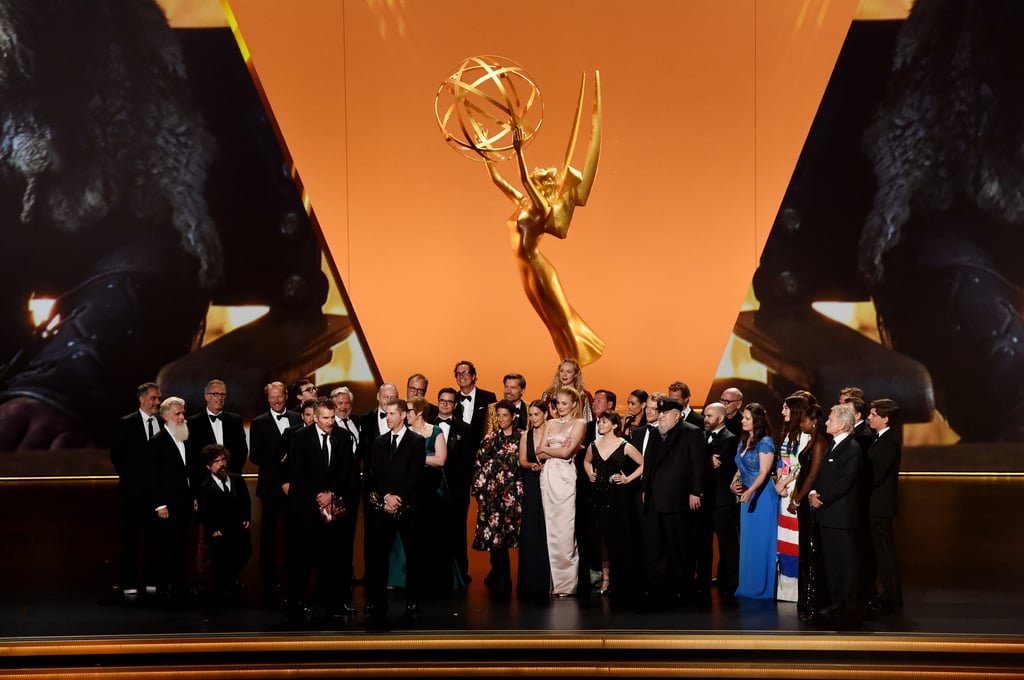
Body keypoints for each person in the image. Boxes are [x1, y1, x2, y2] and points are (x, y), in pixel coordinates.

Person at [484, 77, 604, 366]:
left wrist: (519, 150)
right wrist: (484, 149)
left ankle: (573, 367)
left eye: (541, 174)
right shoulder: (524, 203)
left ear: (545, 185)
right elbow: (498, 180)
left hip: (538, 269)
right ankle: (566, 366)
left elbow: (524, 178)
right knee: (549, 322)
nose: (536, 173)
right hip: (524, 270)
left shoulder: (541, 208)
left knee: (560, 318)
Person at [283, 397, 357, 623]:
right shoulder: (299, 438)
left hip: (334, 507)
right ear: (314, 417)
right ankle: (297, 602)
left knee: (335, 556)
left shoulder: (344, 437)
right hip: (307, 508)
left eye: (332, 417)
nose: (330, 422)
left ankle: (335, 603)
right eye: (325, 418)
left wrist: (332, 495)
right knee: (303, 557)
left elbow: (349, 473)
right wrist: (319, 496)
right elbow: (297, 473)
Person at [641, 398, 706, 606]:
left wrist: (696, 491)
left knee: (679, 546)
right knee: (657, 547)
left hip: (678, 500)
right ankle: (661, 588)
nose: (660, 416)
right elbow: (648, 464)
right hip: (655, 499)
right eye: (659, 412)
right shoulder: (654, 434)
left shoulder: (692, 432)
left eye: (664, 413)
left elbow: (698, 464)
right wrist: (645, 489)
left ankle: (684, 588)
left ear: (676, 415)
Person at [364, 398, 426, 616]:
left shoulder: (417, 441)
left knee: (413, 555)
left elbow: (416, 474)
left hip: (408, 507)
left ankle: (412, 600)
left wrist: (399, 498)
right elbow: (376, 473)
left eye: (392, 413)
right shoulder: (379, 442)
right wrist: (387, 496)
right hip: (384, 506)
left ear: (403, 415)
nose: (388, 417)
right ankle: (376, 599)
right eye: (386, 414)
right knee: (378, 555)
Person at [809, 404, 864, 623]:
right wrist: (813, 492)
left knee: (845, 562)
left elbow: (845, 482)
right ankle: (836, 601)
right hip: (828, 514)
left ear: (841, 424)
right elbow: (822, 476)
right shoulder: (833, 445)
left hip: (841, 516)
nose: (826, 422)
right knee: (831, 561)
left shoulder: (851, 448)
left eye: (830, 419)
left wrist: (821, 498)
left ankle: (849, 604)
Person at [248, 381, 301, 602]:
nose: (277, 400)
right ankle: (268, 577)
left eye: (280, 396)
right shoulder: (259, 422)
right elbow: (254, 456)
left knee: (294, 533)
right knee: (268, 534)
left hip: (294, 486)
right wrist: (279, 462)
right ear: (268, 399)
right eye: (273, 397)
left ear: (286, 396)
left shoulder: (297, 418)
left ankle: (294, 575)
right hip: (270, 486)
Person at [110, 382, 163, 601]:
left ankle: (153, 582)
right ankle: (129, 583)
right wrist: (134, 480)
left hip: (158, 496)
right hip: (133, 495)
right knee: (131, 541)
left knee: (155, 541)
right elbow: (117, 456)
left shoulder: (163, 423)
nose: (157, 402)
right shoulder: (126, 424)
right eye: (153, 398)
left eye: (159, 398)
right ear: (141, 399)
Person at [583, 411, 644, 598]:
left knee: (618, 535)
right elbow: (586, 461)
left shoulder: (624, 445)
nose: (600, 424)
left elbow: (643, 463)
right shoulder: (594, 445)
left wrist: (628, 479)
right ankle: (606, 577)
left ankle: (621, 578)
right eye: (600, 421)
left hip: (617, 497)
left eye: (604, 421)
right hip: (598, 496)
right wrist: (589, 472)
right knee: (601, 538)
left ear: (614, 425)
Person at [536, 386, 586, 596]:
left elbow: (566, 453)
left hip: (565, 477)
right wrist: (551, 450)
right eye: (558, 404)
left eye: (565, 404)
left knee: (565, 528)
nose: (561, 408)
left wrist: (551, 449)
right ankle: (552, 582)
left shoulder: (580, 423)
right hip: (548, 476)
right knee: (549, 527)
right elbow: (539, 452)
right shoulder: (550, 423)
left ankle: (567, 584)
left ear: (574, 404)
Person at [407, 397, 459, 593]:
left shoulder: (435, 431)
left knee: (435, 537)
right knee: (415, 538)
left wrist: (417, 458)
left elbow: (441, 459)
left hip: (433, 491)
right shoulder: (405, 433)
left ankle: (437, 580)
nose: (407, 414)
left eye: (410, 410)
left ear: (420, 411)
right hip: (412, 491)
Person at [471, 400, 524, 594]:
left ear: (513, 417)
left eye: (505, 415)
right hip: (492, 496)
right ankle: (502, 575)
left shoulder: (522, 438)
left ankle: (523, 577)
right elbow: (478, 465)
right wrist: (479, 491)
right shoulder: (490, 438)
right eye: (499, 415)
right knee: (495, 538)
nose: (501, 419)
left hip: (515, 496)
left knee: (517, 536)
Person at [147, 396, 193, 606]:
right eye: (178, 413)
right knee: (166, 547)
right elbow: (152, 476)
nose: (182, 417)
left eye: (183, 413)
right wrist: (160, 504)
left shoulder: (186, 438)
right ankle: (165, 587)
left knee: (182, 545)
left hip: (185, 503)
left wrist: (194, 498)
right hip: (167, 506)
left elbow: (191, 472)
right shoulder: (157, 443)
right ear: (166, 417)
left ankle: (180, 585)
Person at [787, 404, 829, 622]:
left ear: (814, 421)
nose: (800, 424)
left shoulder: (820, 443)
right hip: (802, 500)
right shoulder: (811, 441)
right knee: (805, 549)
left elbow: (812, 476)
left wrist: (796, 499)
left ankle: (813, 599)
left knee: (812, 551)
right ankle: (805, 598)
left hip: (810, 505)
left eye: (803, 421)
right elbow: (802, 471)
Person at [731, 403, 778, 600]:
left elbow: (764, 471)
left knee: (761, 541)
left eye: (747, 418)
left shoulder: (765, 442)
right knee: (748, 543)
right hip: (746, 496)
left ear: (757, 421)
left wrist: (750, 490)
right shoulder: (744, 440)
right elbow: (740, 467)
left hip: (761, 496)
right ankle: (748, 585)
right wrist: (734, 482)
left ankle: (761, 586)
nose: (742, 420)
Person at [194, 444, 251, 602]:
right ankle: (223, 587)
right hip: (219, 529)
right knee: (220, 558)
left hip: (238, 526)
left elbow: (245, 500)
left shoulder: (237, 479)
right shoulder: (205, 487)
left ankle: (231, 577)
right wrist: (213, 529)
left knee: (245, 550)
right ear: (208, 465)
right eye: (217, 461)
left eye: (223, 460)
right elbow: (204, 511)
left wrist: (247, 517)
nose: (222, 464)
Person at [864, 398, 903, 614]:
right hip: (877, 504)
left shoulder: (888, 442)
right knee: (882, 551)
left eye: (873, 414)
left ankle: (891, 596)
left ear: (885, 418)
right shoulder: (880, 439)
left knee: (885, 552)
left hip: (880, 505)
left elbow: (877, 476)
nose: (869, 417)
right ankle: (888, 594)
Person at [434, 386, 475, 586]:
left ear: (455, 405)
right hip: (432, 491)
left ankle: (460, 575)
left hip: (457, 492)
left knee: (458, 534)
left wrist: (462, 489)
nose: (445, 404)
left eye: (449, 401)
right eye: (442, 400)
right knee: (434, 533)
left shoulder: (465, 429)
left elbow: (468, 463)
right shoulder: (426, 425)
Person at [774, 394, 810, 602]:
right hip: (783, 491)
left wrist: (784, 483)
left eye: (786, 408)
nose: (782, 412)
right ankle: (785, 589)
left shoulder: (805, 435)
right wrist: (780, 480)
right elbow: (783, 461)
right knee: (785, 539)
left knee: (795, 538)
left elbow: (799, 465)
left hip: (794, 490)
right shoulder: (788, 433)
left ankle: (797, 590)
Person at [703, 402, 739, 603]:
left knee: (728, 545)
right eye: (705, 415)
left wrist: (702, 460)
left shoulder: (730, 439)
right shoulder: (701, 435)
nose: (705, 419)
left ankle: (732, 584)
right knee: (703, 543)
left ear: (721, 418)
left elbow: (713, 465)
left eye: (709, 416)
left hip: (722, 500)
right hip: (705, 499)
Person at [516, 399, 551, 596]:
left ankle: (546, 578)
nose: (533, 418)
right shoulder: (525, 435)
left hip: (549, 480)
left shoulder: (551, 432)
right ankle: (529, 579)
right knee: (530, 527)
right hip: (531, 481)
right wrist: (532, 466)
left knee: (547, 525)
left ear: (545, 414)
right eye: (531, 414)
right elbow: (522, 460)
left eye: (536, 414)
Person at [187, 379, 248, 477]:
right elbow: (192, 454)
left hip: (231, 477)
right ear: (206, 396)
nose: (220, 398)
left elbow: (242, 451)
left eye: (223, 394)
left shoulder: (235, 420)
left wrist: (231, 474)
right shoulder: (193, 422)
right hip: (205, 480)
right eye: (216, 394)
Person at [453, 361, 497, 450]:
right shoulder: (452, 399)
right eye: (458, 374)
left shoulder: (488, 397)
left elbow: (494, 424)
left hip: (482, 450)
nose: (461, 376)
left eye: (465, 373)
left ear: (473, 376)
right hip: (457, 452)